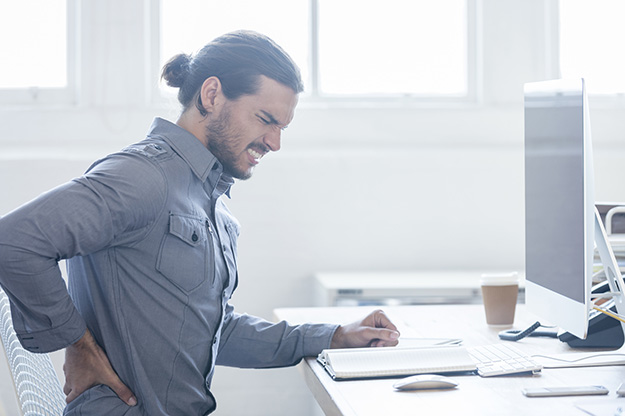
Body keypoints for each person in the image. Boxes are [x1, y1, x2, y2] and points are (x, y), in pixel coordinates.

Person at [0, 30, 399, 415]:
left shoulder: (213, 206)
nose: (275, 142)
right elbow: (13, 241)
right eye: (265, 120)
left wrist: (334, 336)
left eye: (282, 127)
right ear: (211, 95)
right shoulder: (143, 177)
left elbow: (212, 332)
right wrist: (78, 346)